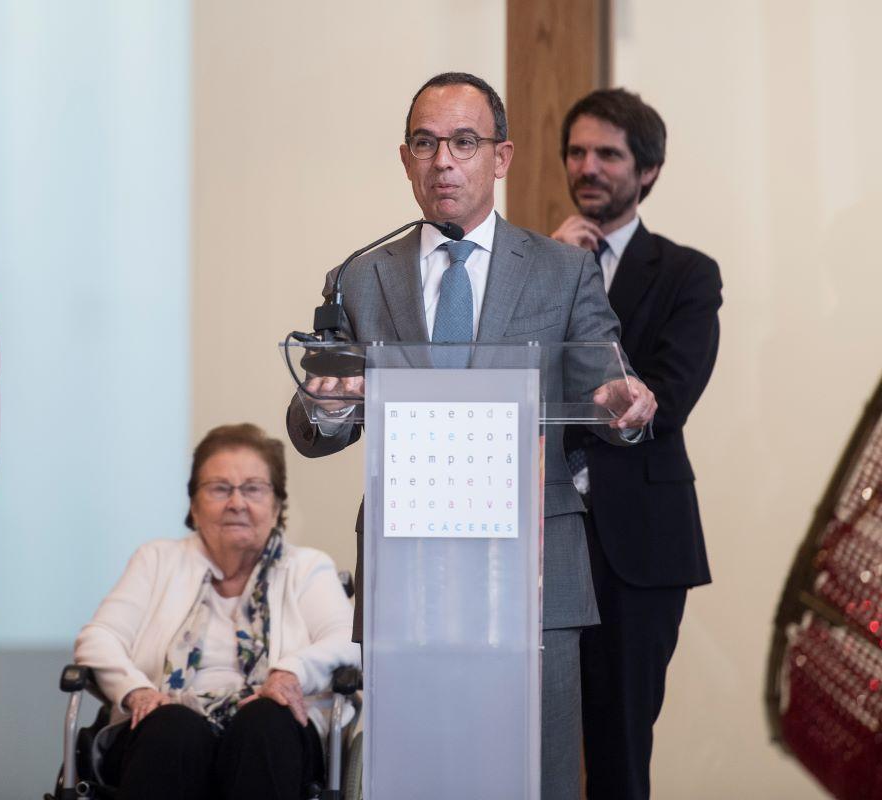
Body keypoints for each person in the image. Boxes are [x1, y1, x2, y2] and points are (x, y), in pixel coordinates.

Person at [284, 72, 658, 799]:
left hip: (533, 574)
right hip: (407, 576)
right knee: (415, 776)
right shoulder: (360, 277)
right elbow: (312, 426)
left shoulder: (560, 270)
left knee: (536, 776)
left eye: (464, 142)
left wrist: (618, 402)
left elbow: (604, 386)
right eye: (425, 143)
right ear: (405, 158)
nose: (443, 161)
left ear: (502, 157)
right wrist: (326, 403)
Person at [551, 88, 722, 800]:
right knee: (531, 736)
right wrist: (552, 275)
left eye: (608, 154)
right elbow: (503, 383)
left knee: (621, 748)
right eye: (577, 151)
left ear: (646, 172)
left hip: (640, 546)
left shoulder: (688, 272)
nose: (588, 166)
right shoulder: (535, 266)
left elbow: (665, 399)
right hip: (543, 530)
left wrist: (575, 294)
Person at [74, 423, 358, 800]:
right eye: (220, 488)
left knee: (265, 720)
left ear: (276, 505)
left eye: (253, 488)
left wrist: (292, 670)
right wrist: (136, 690)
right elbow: (99, 638)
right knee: (174, 726)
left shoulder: (307, 567)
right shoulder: (157, 560)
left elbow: (348, 641)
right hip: (166, 728)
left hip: (271, 736)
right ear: (194, 504)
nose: (236, 502)